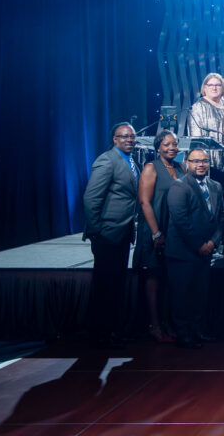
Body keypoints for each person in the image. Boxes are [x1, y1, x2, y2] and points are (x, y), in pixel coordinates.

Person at [82, 123, 139, 349]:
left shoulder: (130, 161)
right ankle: (99, 334)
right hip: (107, 233)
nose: (129, 140)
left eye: (132, 136)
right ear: (114, 139)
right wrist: (98, 230)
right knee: (104, 286)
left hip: (123, 232)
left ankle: (112, 330)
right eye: (124, 136)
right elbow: (91, 198)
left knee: (115, 284)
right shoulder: (107, 160)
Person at [165, 148, 223, 348]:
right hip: (183, 252)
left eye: (204, 161)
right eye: (196, 161)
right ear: (187, 163)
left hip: (205, 252)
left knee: (200, 295)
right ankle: (184, 335)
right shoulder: (179, 186)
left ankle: (198, 331)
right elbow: (180, 220)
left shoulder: (216, 186)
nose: (201, 165)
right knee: (182, 296)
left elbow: (221, 217)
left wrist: (213, 242)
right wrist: (199, 245)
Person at [133, 129, 184, 344]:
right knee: (154, 277)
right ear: (158, 147)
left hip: (174, 230)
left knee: (170, 277)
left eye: (174, 144)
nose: (172, 148)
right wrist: (156, 233)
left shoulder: (181, 167)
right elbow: (144, 202)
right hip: (156, 227)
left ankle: (167, 322)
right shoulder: (151, 168)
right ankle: (154, 324)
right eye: (167, 144)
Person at [188, 73, 224, 171]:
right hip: (209, 161)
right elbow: (196, 138)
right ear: (205, 88)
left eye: (218, 85)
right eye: (210, 85)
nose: (214, 88)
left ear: (222, 87)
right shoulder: (198, 107)